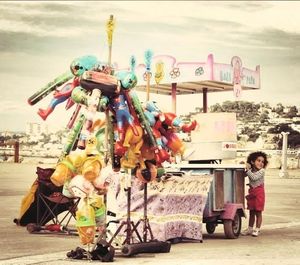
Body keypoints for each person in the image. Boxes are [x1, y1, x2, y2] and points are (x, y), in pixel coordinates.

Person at [241, 151, 268, 237]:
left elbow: (254, 177)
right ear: (252, 162)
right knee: (251, 211)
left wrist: (248, 169)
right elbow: (243, 175)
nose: (261, 163)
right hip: (252, 192)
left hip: (259, 193)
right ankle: (250, 228)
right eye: (258, 160)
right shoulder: (251, 170)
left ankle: (257, 229)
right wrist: (242, 166)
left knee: (258, 212)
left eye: (262, 162)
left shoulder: (262, 171)